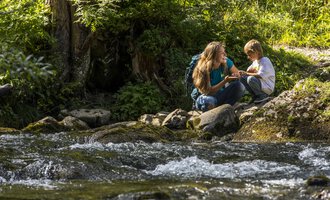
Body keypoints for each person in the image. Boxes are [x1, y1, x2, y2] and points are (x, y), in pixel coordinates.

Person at [191, 41, 245, 112]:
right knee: (210, 101)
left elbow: (238, 74)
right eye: (221, 53)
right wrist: (225, 81)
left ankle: (225, 109)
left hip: (220, 95)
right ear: (213, 55)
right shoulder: (204, 69)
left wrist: (236, 75)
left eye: (224, 52)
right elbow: (208, 91)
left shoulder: (226, 61)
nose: (225, 54)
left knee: (239, 86)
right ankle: (220, 110)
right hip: (206, 96)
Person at [239, 39, 275, 104]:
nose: (248, 57)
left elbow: (260, 75)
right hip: (260, 84)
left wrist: (247, 73)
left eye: (249, 55)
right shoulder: (255, 62)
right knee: (242, 78)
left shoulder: (265, 61)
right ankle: (255, 95)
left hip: (266, 86)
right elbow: (248, 71)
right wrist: (244, 73)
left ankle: (262, 95)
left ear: (257, 52)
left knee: (250, 79)